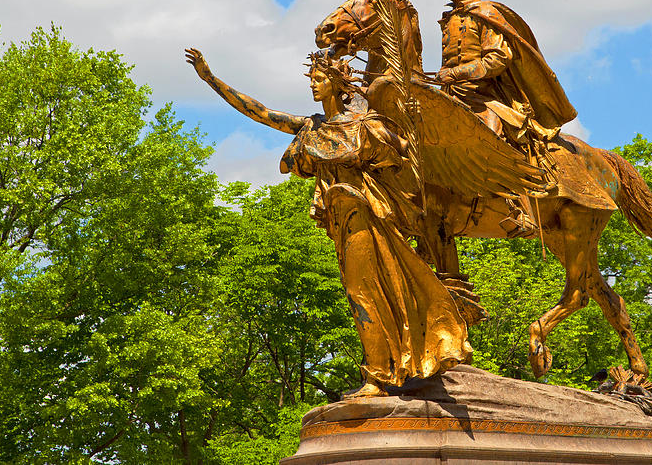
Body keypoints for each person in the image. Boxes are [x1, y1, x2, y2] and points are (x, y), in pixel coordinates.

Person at [185, 48, 472, 397]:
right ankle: (387, 367)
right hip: (340, 221)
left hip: (364, 214)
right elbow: (260, 113)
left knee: (361, 291)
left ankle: (377, 376)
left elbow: (407, 159)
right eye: (312, 80)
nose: (314, 86)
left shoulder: (365, 126)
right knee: (363, 292)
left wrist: (414, 121)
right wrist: (211, 79)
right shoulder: (312, 127)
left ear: (337, 85)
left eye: (320, 80)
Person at [437, 0, 576, 236]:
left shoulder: (484, 12)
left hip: (485, 97)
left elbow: (499, 57)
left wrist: (457, 72)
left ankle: (521, 208)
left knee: (493, 137)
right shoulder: (449, 18)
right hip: (453, 96)